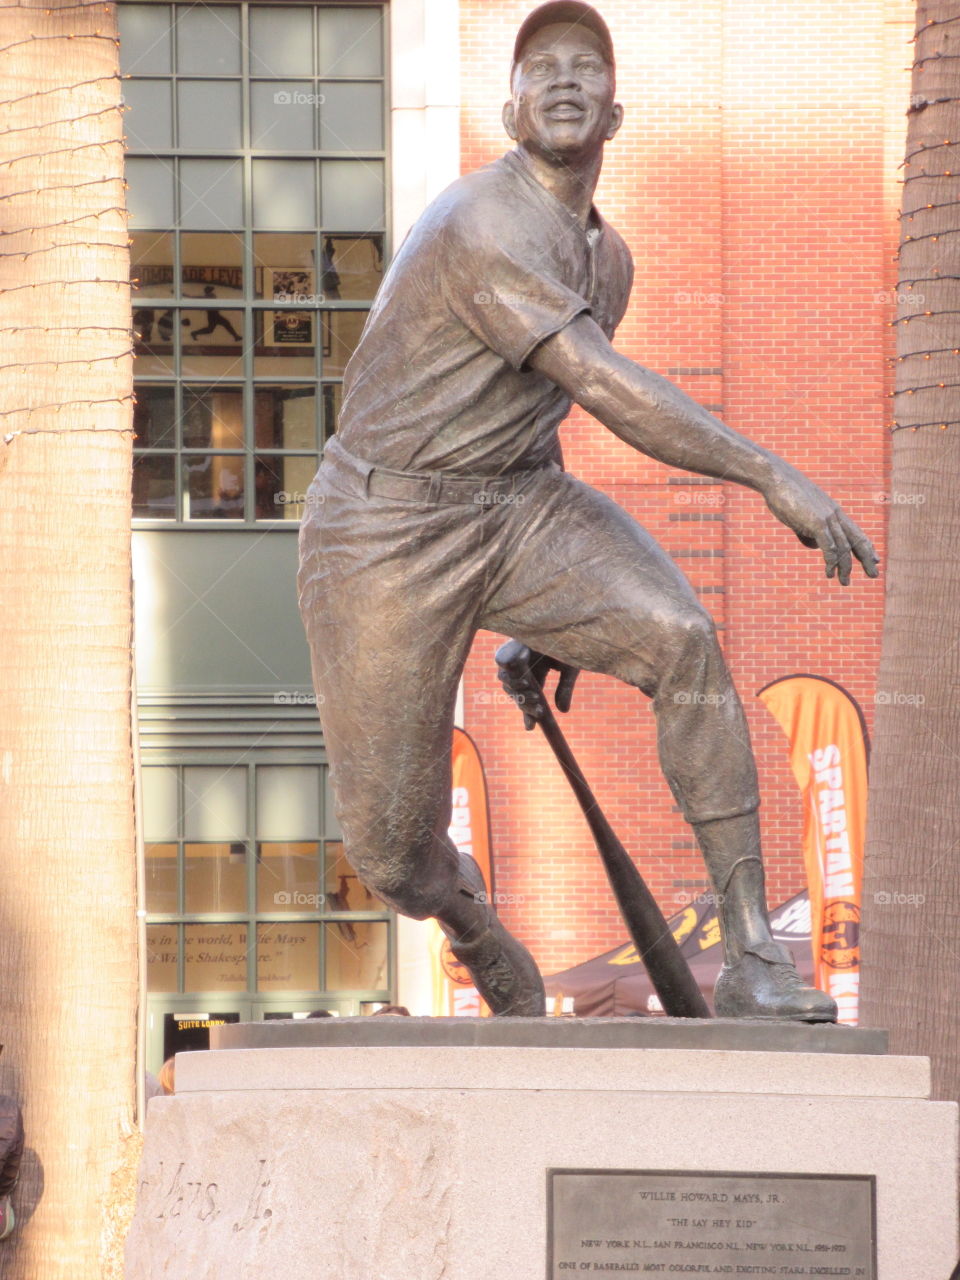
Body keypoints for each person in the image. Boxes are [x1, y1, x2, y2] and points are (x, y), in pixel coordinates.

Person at [297, 1, 878, 1022]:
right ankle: (471, 919)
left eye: (587, 68)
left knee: (683, 636)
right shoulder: (483, 219)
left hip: (517, 501)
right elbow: (601, 382)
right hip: (383, 526)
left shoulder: (609, 260)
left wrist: (540, 602)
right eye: (541, 68)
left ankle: (750, 953)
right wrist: (772, 475)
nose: (565, 79)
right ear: (512, 106)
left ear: (614, 114)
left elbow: (541, 403)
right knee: (392, 854)